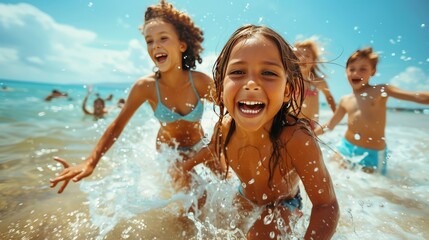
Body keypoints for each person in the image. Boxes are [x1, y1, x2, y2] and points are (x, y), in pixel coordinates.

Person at [177, 25, 339, 240]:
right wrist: (187, 165)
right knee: (206, 225)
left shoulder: (296, 138)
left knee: (256, 236)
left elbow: (326, 205)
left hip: (285, 203)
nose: (251, 84)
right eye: (237, 72)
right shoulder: (225, 126)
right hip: (244, 195)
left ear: (287, 90)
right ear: (220, 86)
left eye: (269, 73)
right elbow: (213, 150)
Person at [50, 0, 215, 194]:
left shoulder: (201, 82)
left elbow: (232, 111)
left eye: (163, 38)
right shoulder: (145, 87)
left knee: (227, 181)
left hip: (201, 145)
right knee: (193, 198)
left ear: (181, 45)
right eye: (149, 41)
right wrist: (91, 161)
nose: (155, 46)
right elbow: (117, 126)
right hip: (170, 153)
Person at [314, 47, 429, 175]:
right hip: (346, 147)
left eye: (363, 69)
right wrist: (312, 134)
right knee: (333, 178)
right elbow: (330, 125)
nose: (356, 73)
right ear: (346, 72)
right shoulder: (345, 100)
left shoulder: (381, 90)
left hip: (373, 153)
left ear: (373, 71)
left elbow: (415, 96)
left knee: (374, 190)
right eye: (352, 69)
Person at [294, 40, 336, 127]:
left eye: (307, 55)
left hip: (310, 124)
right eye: (298, 55)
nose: (302, 58)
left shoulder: (319, 82)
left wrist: (335, 114)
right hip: (291, 122)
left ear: (314, 61)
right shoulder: (290, 80)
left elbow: (329, 96)